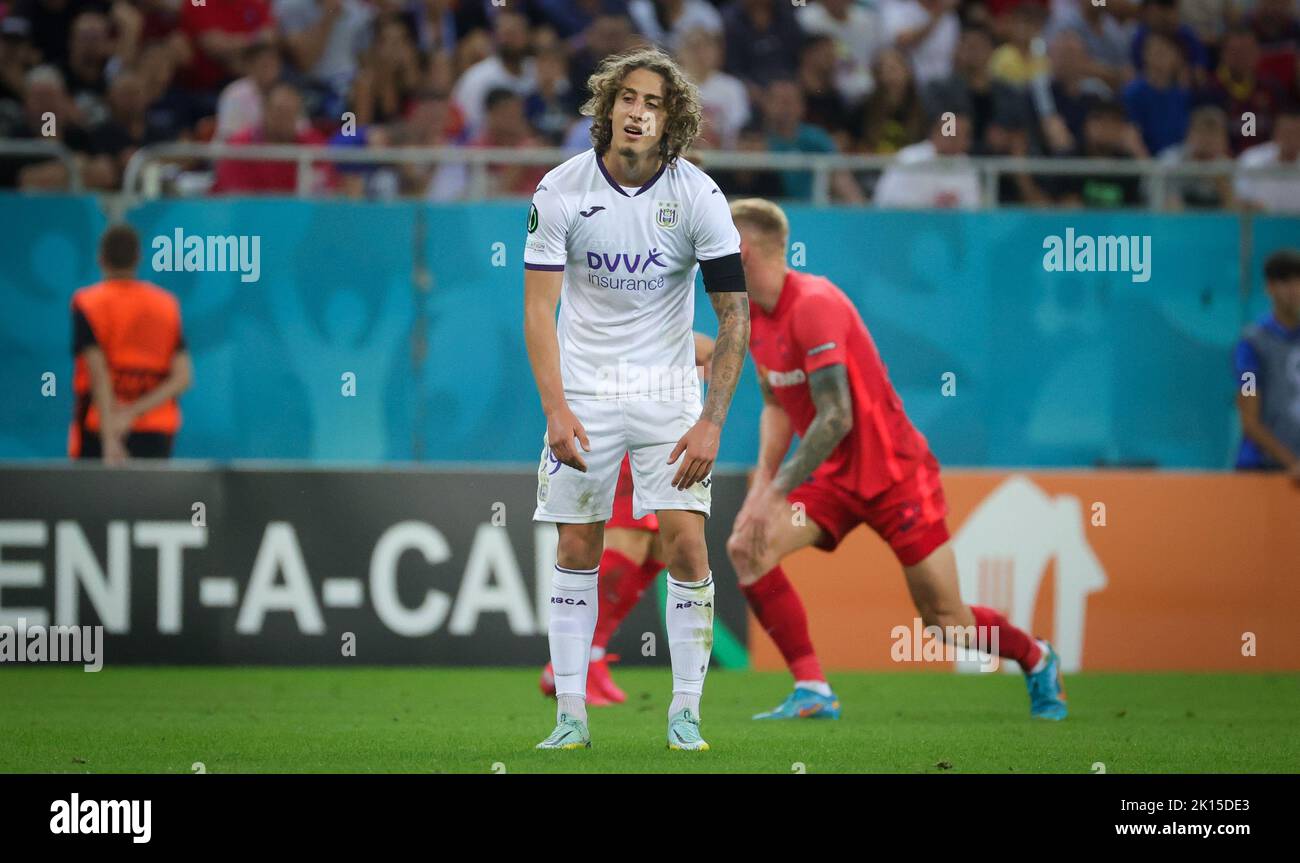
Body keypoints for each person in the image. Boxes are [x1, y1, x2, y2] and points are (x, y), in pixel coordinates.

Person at [724, 198, 1067, 721]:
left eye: (716, 240)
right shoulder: (749, 314)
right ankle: (814, 690)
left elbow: (835, 417)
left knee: (944, 621)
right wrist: (760, 488)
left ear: (741, 248)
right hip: (833, 478)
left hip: (896, 476)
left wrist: (773, 493)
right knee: (747, 549)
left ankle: (1037, 658)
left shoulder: (814, 303)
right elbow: (776, 405)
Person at [523, 47, 749, 751]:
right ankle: (570, 715)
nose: (637, 112)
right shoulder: (560, 189)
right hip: (587, 390)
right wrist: (556, 408)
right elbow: (539, 310)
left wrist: (712, 418)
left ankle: (685, 713)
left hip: (667, 392)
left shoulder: (699, 197)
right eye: (628, 98)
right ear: (607, 107)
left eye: (653, 103)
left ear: (670, 120)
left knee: (685, 541)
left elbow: (734, 314)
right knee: (576, 542)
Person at [539, 333, 715, 705]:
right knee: (628, 545)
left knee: (655, 549)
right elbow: (706, 349)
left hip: (663, 434)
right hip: (623, 438)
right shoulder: (618, 325)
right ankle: (570, 665)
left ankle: (595, 654)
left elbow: (711, 354)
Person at [69, 224, 192, 463]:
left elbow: (98, 374)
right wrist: (133, 412)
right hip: (155, 430)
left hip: (99, 427)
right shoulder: (166, 305)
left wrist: (109, 437)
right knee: (148, 501)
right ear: (138, 258)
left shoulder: (88, 303)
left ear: (100, 259)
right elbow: (182, 378)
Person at [1234, 249, 1300, 477]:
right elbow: (1249, 419)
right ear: (1270, 288)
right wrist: (1291, 463)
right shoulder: (1251, 346)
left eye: (1299, 282)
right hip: (1262, 471)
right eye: (1286, 282)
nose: (1294, 291)